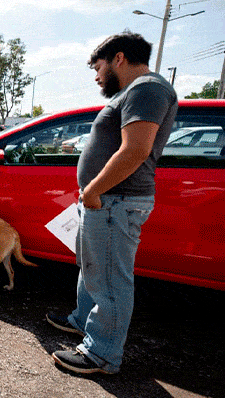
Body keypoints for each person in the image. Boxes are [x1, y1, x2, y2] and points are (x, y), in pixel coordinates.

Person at [47, 32, 178, 374]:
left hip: (114, 201)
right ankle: (82, 321)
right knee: (93, 268)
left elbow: (135, 150)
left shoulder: (147, 89)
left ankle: (101, 353)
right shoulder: (134, 92)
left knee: (110, 279)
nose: (96, 75)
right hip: (106, 200)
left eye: (99, 66)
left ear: (119, 58)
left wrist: (92, 190)